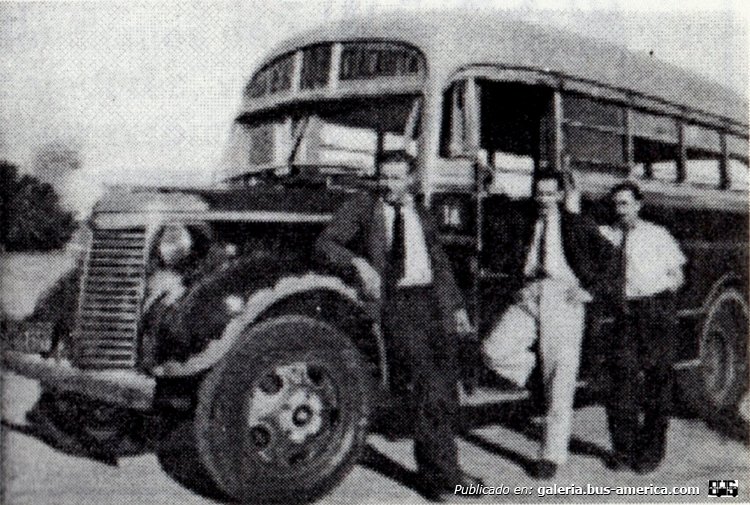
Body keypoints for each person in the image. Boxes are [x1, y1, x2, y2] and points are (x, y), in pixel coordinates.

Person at [315, 153, 483, 500]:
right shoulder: (363, 207)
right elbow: (325, 243)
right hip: (396, 306)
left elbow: (439, 263)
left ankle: (441, 469)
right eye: (384, 178)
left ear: (410, 179)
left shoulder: (421, 211)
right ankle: (443, 477)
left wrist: (456, 308)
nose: (390, 185)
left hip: (432, 305)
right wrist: (357, 262)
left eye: (396, 178)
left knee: (445, 389)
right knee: (427, 386)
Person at [483, 173, 611, 479]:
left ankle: (551, 455)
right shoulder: (525, 219)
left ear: (560, 195)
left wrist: (589, 290)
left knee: (561, 379)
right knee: (493, 350)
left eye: (550, 194)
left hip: (563, 297)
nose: (544, 200)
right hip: (529, 293)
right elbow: (505, 235)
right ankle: (534, 375)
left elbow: (612, 258)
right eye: (539, 194)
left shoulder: (577, 223)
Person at [600, 181, 686, 474]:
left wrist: (662, 303)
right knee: (621, 383)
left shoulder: (657, 235)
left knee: (657, 383)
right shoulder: (606, 235)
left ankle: (650, 453)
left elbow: (677, 274)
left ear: (638, 204)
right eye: (615, 205)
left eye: (624, 204)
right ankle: (623, 451)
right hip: (624, 314)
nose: (619, 210)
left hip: (655, 310)